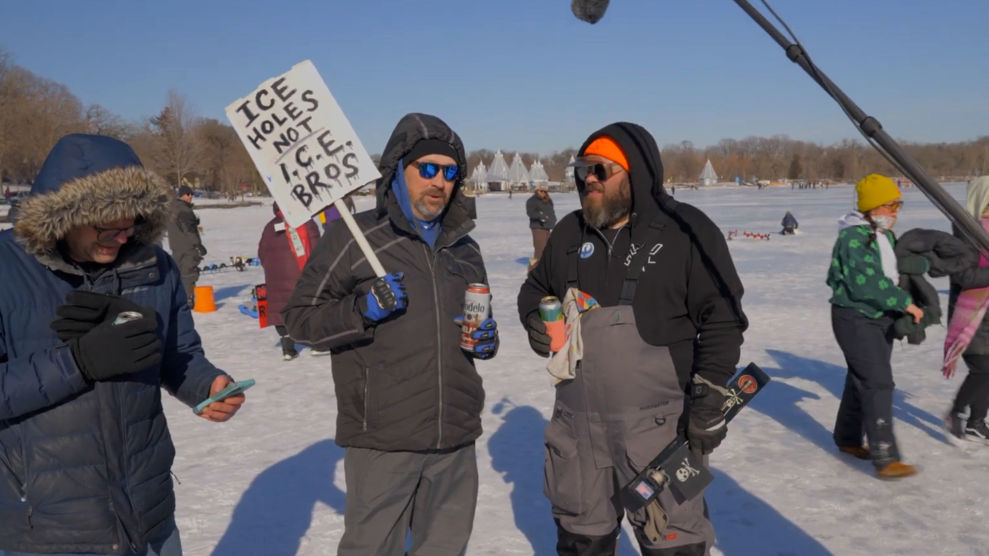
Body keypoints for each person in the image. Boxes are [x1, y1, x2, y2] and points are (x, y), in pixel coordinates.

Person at [0, 134, 246, 556]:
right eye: (107, 226)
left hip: (148, 515)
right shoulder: (6, 270)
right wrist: (79, 361)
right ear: (63, 213)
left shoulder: (153, 266)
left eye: (131, 223)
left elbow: (178, 352)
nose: (121, 237)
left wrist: (206, 385)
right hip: (47, 528)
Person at [517, 123, 747, 556]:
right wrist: (534, 318)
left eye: (601, 170)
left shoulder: (688, 230)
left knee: (678, 541)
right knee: (580, 542)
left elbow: (723, 319)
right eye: (583, 169)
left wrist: (710, 395)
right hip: (577, 432)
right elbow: (534, 291)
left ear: (635, 174)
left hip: (664, 432)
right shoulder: (568, 233)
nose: (589, 179)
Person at [283, 113, 498, 556]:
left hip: (455, 437)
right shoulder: (354, 236)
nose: (439, 181)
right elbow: (300, 320)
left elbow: (472, 323)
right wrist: (363, 310)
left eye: (450, 171)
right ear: (399, 169)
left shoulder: (465, 248)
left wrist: (487, 341)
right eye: (428, 169)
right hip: (384, 439)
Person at [827, 174, 922, 479]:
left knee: (861, 378)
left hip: (881, 316)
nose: (895, 212)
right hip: (855, 317)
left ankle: (847, 438)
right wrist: (905, 302)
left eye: (898, 205)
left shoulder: (884, 236)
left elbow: (892, 273)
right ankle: (885, 455)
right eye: (890, 205)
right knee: (878, 382)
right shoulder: (852, 238)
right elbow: (866, 284)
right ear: (871, 208)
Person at [944, 176, 989, 444]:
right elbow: (966, 277)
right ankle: (956, 413)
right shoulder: (965, 235)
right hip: (970, 315)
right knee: (983, 368)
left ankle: (976, 422)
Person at [257, 202, 321, 361]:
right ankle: (316, 344)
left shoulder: (269, 227)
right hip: (303, 275)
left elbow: (261, 253)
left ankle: (287, 348)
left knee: (280, 309)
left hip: (275, 276)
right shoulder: (307, 223)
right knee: (309, 306)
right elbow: (320, 250)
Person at [165, 185, 206, 307]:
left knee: (179, 274)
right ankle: (188, 300)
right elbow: (188, 230)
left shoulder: (173, 208)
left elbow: (178, 225)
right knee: (189, 273)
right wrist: (198, 245)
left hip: (176, 247)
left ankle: (178, 299)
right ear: (182, 195)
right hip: (187, 247)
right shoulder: (184, 209)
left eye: (191, 194)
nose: (190, 196)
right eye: (188, 194)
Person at [526, 186, 556, 271]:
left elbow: (551, 212)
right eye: (541, 191)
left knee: (547, 248)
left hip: (547, 227)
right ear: (537, 191)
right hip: (538, 227)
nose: (543, 193)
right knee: (540, 249)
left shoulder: (547, 200)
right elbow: (531, 212)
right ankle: (534, 269)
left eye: (545, 191)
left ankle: (545, 267)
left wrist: (553, 220)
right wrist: (540, 216)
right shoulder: (532, 201)